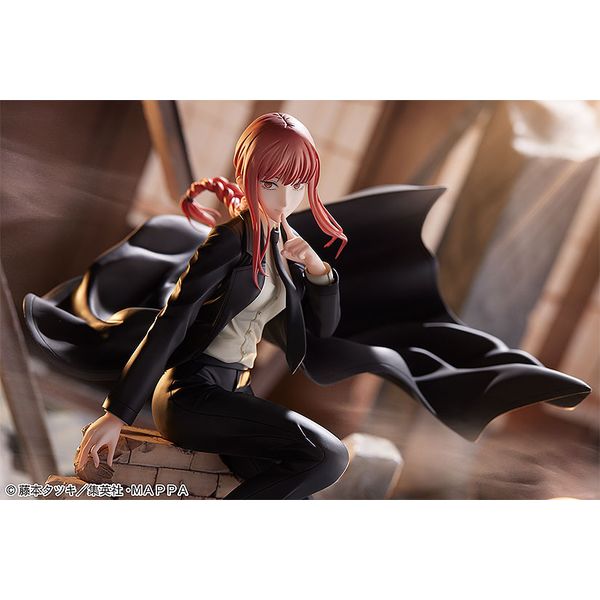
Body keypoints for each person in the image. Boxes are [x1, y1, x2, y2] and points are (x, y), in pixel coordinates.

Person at [75, 112, 350, 499]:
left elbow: (322, 329)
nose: (285, 200)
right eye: (270, 184)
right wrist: (117, 413)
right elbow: (172, 321)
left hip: (237, 395)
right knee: (330, 455)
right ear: (246, 177)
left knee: (295, 492)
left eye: (297, 185)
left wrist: (318, 269)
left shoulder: (283, 246)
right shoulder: (229, 241)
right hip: (191, 394)